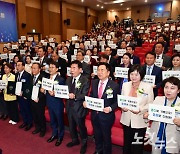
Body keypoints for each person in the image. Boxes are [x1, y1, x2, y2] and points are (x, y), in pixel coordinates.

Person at [84, 62, 119, 154]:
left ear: (108, 72)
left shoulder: (114, 85)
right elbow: (91, 95)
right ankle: (98, 150)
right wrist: (87, 102)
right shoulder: (94, 82)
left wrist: (110, 108)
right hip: (95, 115)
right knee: (97, 135)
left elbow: (117, 101)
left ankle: (107, 152)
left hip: (106, 116)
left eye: (102, 70)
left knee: (106, 136)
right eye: (98, 70)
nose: (99, 72)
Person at [120, 64, 154, 154]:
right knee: (127, 144)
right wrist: (122, 107)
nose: (133, 77)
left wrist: (141, 109)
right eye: (132, 74)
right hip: (126, 119)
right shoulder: (125, 85)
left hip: (140, 120)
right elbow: (122, 100)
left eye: (136, 74)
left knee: (137, 145)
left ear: (141, 75)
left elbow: (151, 104)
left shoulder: (147, 87)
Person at [144, 77, 180, 154]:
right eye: (166, 87)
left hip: (172, 138)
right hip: (157, 135)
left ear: (178, 91)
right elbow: (149, 115)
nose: (168, 90)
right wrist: (146, 116)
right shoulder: (158, 99)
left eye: (172, 88)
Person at [66, 60, 89, 154]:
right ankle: (75, 139)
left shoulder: (85, 80)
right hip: (69, 106)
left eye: (74, 68)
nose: (72, 70)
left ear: (80, 70)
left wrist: (75, 96)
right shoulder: (68, 79)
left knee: (81, 126)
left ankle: (84, 142)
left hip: (79, 107)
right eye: (71, 68)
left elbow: (85, 94)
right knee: (71, 125)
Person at [41, 61, 65, 146]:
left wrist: (55, 93)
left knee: (59, 121)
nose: (50, 69)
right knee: (52, 121)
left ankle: (60, 136)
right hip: (49, 103)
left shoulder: (61, 79)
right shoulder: (46, 78)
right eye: (49, 67)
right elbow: (44, 90)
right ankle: (54, 134)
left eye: (52, 67)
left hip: (57, 103)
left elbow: (63, 92)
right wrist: (43, 90)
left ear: (57, 69)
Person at [16, 61, 33, 131]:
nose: (17, 67)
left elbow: (29, 87)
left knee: (27, 109)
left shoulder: (27, 75)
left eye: (19, 65)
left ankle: (29, 123)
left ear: (23, 66)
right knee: (22, 109)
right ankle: (25, 121)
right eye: (17, 65)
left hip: (25, 96)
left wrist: (25, 94)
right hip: (19, 95)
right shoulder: (16, 74)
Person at [31, 63, 46, 137]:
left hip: (40, 101)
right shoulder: (31, 77)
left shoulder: (43, 78)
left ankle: (43, 129)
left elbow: (43, 91)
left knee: (40, 115)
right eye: (32, 68)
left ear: (39, 69)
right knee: (34, 115)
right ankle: (37, 127)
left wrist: (38, 98)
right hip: (32, 99)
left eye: (35, 68)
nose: (33, 70)